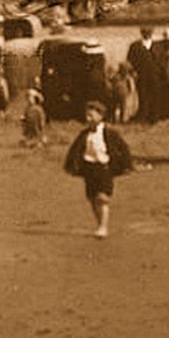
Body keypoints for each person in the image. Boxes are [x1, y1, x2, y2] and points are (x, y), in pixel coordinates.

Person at [64, 100, 133, 239]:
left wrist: (126, 164)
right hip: (89, 168)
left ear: (100, 116)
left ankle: (103, 226)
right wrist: (71, 166)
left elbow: (123, 148)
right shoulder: (84, 134)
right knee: (92, 198)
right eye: (87, 116)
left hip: (104, 168)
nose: (88, 119)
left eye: (91, 115)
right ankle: (99, 223)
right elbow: (75, 150)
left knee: (102, 198)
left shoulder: (109, 133)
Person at [126, 27, 161, 124]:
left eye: (149, 31)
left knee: (155, 96)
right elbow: (130, 61)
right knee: (142, 96)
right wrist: (132, 73)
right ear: (141, 33)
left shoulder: (157, 45)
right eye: (145, 31)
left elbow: (160, 61)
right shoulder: (135, 46)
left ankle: (154, 117)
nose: (147, 33)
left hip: (155, 76)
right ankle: (143, 117)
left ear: (152, 32)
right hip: (141, 76)